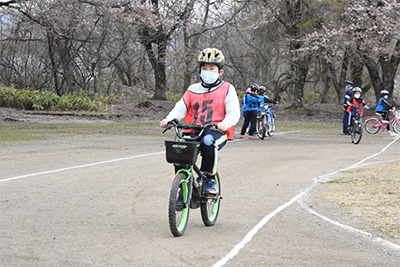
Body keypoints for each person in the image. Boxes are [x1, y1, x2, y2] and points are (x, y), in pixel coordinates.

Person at [160, 48, 240, 194]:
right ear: (199, 70)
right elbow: (180, 107)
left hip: (215, 131)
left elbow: (234, 112)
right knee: (179, 148)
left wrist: (225, 124)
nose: (207, 71)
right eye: (204, 68)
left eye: (211, 68)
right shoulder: (192, 89)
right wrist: (169, 119)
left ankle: (210, 179)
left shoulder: (227, 88)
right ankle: (183, 186)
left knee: (208, 142)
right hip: (193, 129)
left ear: (220, 71)